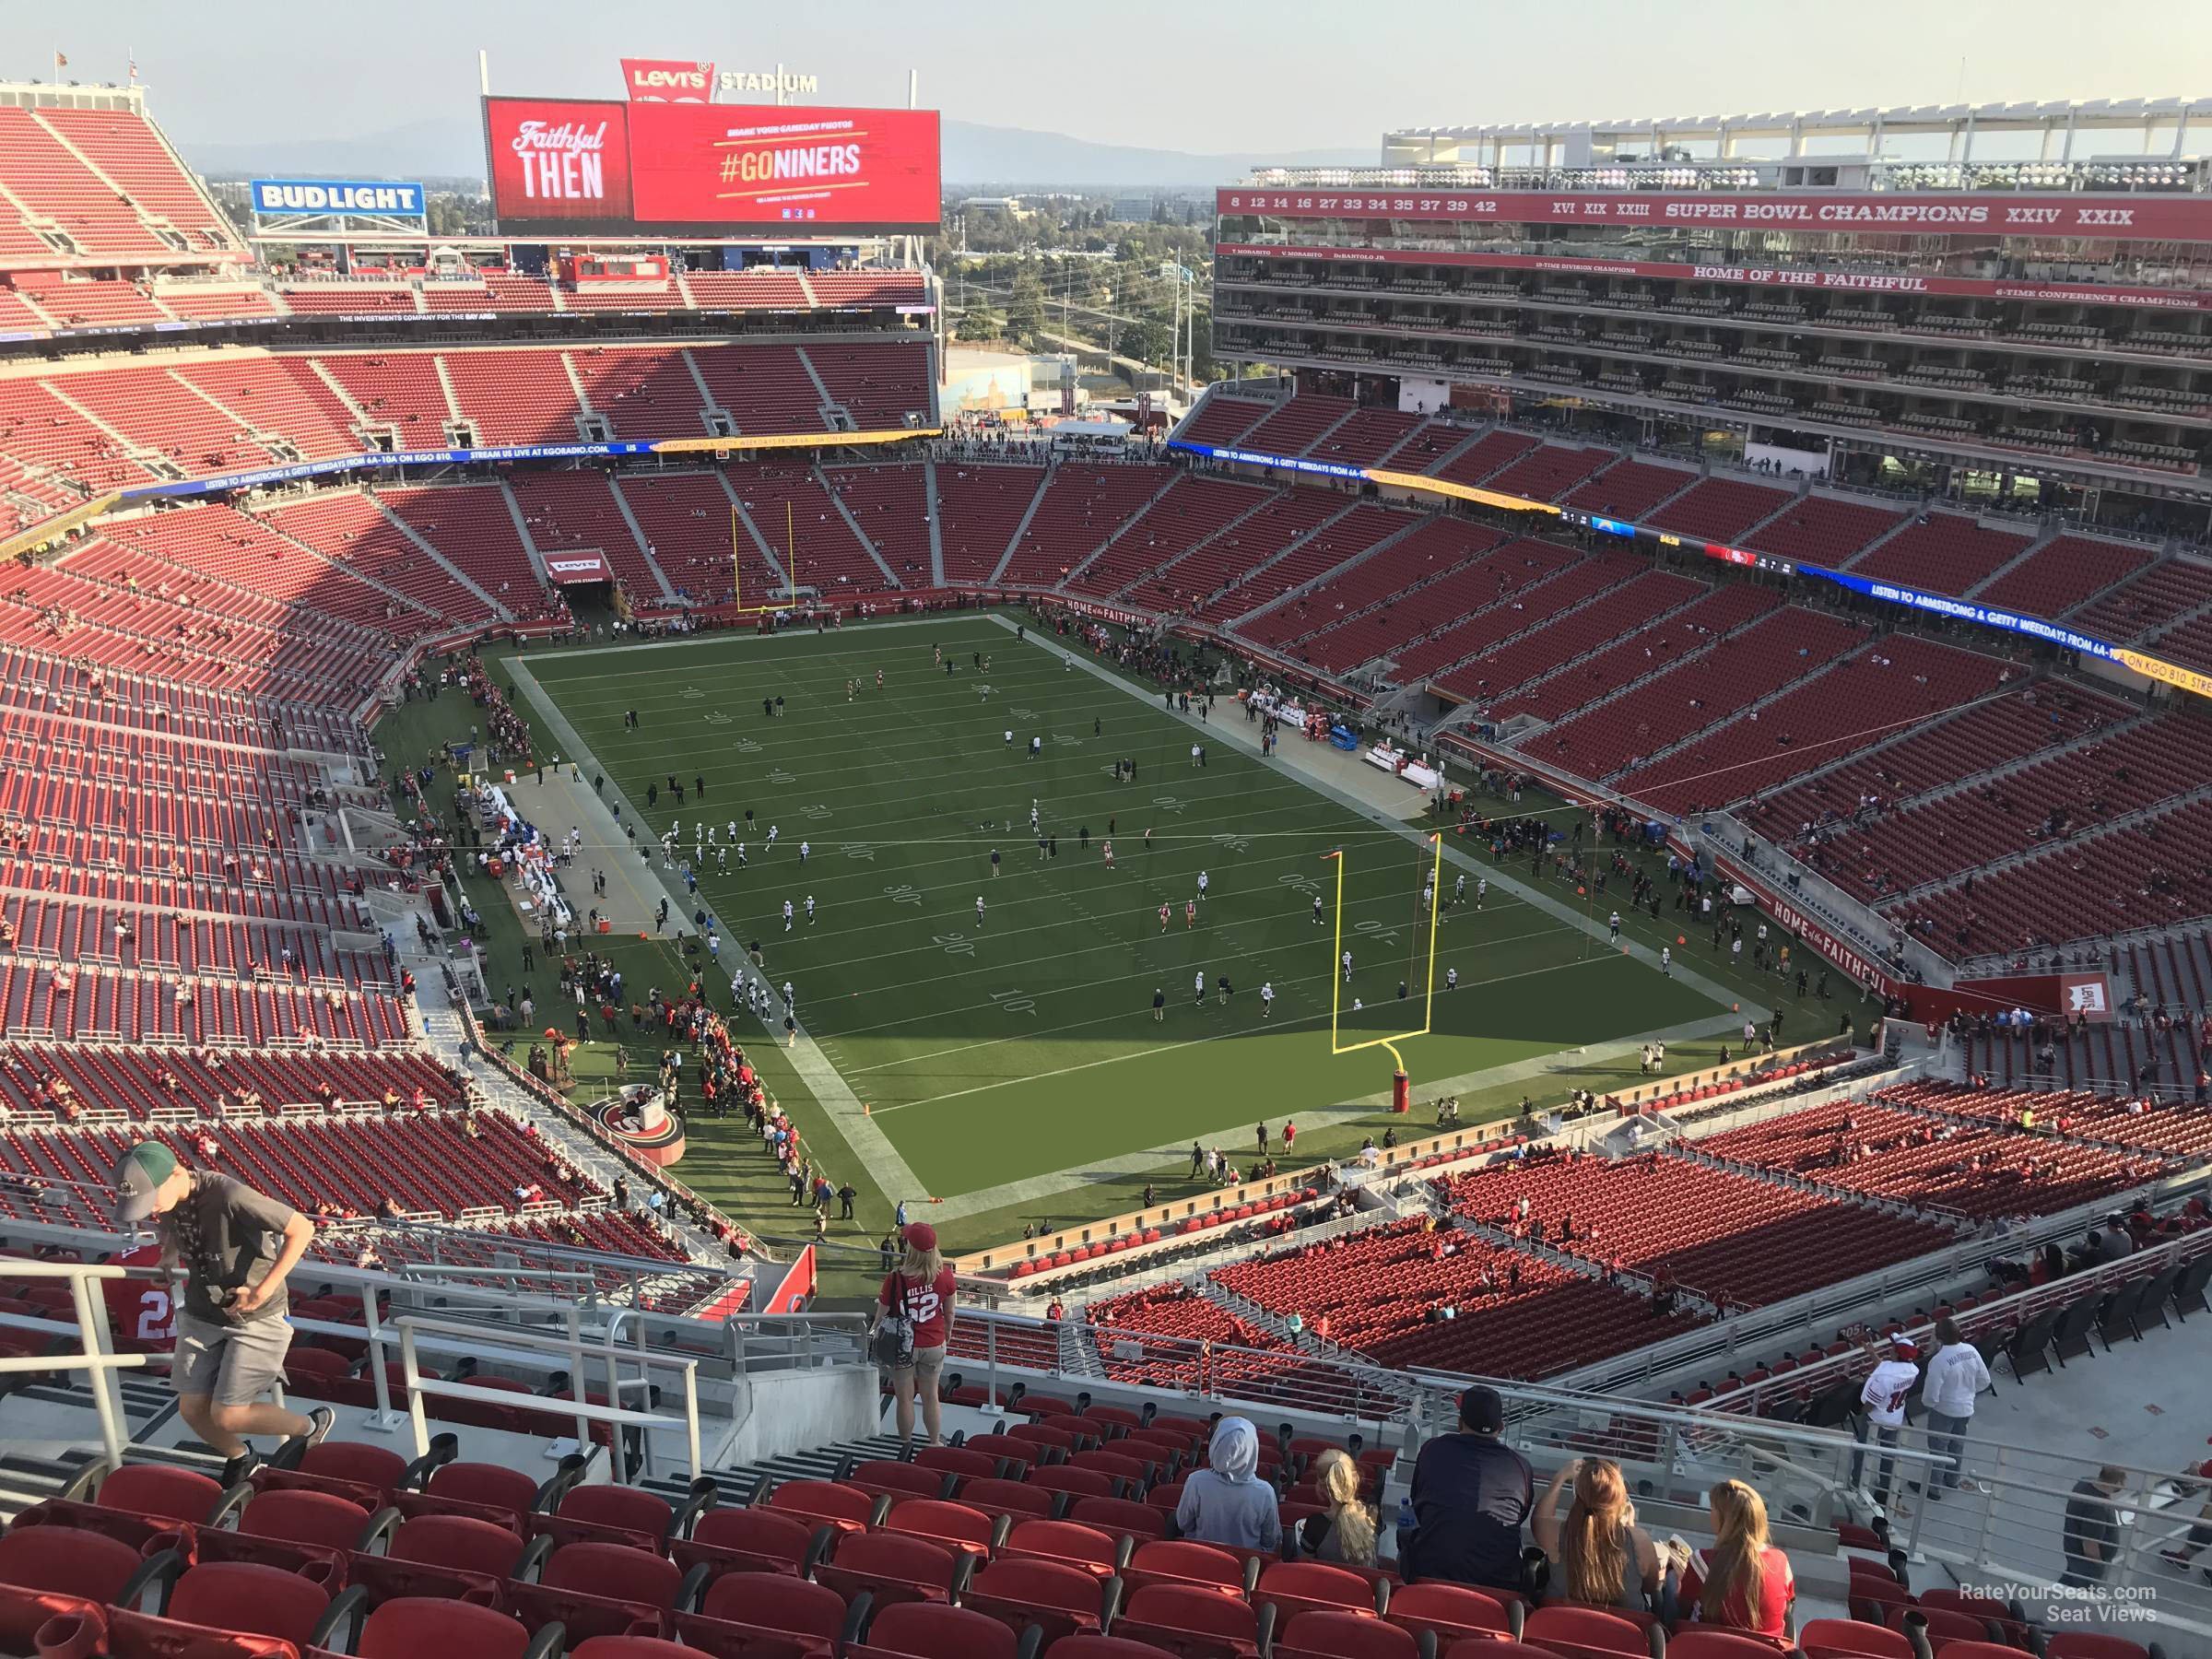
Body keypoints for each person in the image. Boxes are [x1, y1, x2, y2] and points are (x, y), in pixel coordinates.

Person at [110, 1142, 333, 1483]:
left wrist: (264, 1289)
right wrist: (168, 1255)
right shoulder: (170, 1197)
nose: (151, 1209)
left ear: (177, 1174)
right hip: (203, 1312)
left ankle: (311, 1426)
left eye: (151, 1198)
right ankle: (243, 1456)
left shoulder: (229, 1195)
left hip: (255, 1315)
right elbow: (170, 1221)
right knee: (191, 1410)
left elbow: (302, 1228)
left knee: (228, 1415)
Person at [1403, 1385, 1534, 1593]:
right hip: (1499, 1593)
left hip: (1428, 1579)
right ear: (1501, 1426)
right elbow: (1520, 1516)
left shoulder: (1432, 1450)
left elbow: (1419, 1504)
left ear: (1459, 1422)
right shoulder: (1520, 1467)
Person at [1532, 1457, 1661, 1610]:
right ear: (1619, 1499)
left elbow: (1539, 1519)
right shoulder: (1640, 1541)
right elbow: (1650, 1587)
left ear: (1577, 1495)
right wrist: (1630, 1528)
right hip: (1623, 1631)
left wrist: (1559, 1479)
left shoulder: (1557, 1534)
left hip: (1561, 1627)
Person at [871, 1222, 956, 1449]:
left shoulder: (896, 1277)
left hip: (903, 1346)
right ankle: (934, 1442)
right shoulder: (945, 1275)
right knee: (931, 1397)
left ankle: (906, 1443)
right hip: (934, 1342)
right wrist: (946, 1334)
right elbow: (950, 1313)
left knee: (904, 1398)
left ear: (911, 1248)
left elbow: (882, 1313)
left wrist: (876, 1331)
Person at [1676, 1480, 1794, 1640]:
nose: (1710, 1514)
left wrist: (1679, 1580)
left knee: (1670, 1585)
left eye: (1713, 1509)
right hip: (1767, 1652)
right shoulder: (1781, 1561)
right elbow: (1787, 1609)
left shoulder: (1701, 1561)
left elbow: (1683, 1610)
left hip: (1707, 1648)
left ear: (1726, 1520)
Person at [1175, 1417, 1282, 1552]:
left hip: (1200, 1558)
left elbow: (1183, 1523)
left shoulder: (1196, 1481)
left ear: (1216, 1443)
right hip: (1242, 1567)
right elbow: (1270, 1539)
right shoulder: (1266, 1492)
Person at [1916, 1317, 1990, 1495]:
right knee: (1957, 1445)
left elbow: (1931, 1392)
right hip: (1966, 1408)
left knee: (1938, 1449)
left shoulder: (1940, 1360)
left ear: (1939, 1337)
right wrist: (1969, 1394)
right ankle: (1952, 1479)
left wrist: (1931, 1405)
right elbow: (1985, 1380)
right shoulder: (1971, 1350)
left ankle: (1934, 1489)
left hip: (1944, 1410)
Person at [1852, 1335, 1919, 1505]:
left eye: (1893, 1347)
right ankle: (1886, 1488)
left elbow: (1871, 1404)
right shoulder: (1911, 1370)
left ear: (1896, 1353)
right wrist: (1872, 1354)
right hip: (1895, 1418)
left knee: (1862, 1452)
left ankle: (1857, 1483)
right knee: (1889, 1455)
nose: (1890, 1348)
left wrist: (1861, 1412)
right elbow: (1886, 1368)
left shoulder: (1884, 1380)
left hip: (1876, 1419)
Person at [1299, 1449, 1378, 1567]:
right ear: (1354, 1479)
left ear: (1321, 1486)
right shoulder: (1373, 1518)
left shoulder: (1315, 1525)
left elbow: (1304, 1567)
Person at [2062, 1465, 2128, 1588]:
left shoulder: (2085, 1483)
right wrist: (2098, 1567)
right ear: (2118, 1482)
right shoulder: (2097, 1509)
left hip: (2073, 1549)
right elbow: (2090, 1546)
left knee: (2070, 1579)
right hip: (2086, 1563)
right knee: (2085, 1593)